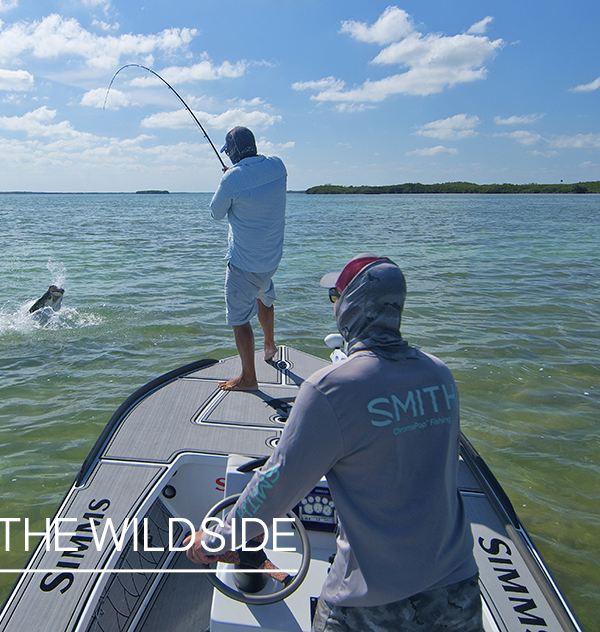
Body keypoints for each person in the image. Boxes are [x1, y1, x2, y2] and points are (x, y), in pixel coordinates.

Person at [187, 254, 481, 632]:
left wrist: (216, 538)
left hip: (371, 601)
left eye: (336, 297)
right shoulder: (439, 374)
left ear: (352, 304)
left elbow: (275, 485)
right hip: (458, 590)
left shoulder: (332, 389)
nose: (336, 306)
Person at [209, 126, 287, 392]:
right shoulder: (278, 166)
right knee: (263, 295)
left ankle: (249, 379)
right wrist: (234, 177)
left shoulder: (231, 180)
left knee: (239, 319)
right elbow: (254, 184)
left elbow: (216, 213)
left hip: (244, 264)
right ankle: (269, 345)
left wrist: (229, 179)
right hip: (271, 260)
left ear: (232, 154)